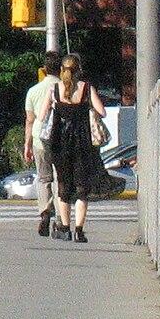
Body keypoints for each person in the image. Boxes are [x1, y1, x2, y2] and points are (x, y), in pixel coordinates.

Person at [47, 54, 109, 243]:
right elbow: (102, 112)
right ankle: (79, 231)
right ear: (79, 69)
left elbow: (43, 116)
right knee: (82, 188)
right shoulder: (86, 88)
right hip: (83, 143)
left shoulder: (54, 90)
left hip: (60, 144)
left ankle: (64, 228)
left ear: (62, 70)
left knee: (63, 187)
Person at [23, 53, 60, 236]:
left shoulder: (33, 91)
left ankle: (45, 212)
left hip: (40, 138)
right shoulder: (64, 88)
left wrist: (27, 145)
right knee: (59, 177)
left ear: (44, 69)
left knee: (44, 177)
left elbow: (30, 120)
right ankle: (61, 216)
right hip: (61, 138)